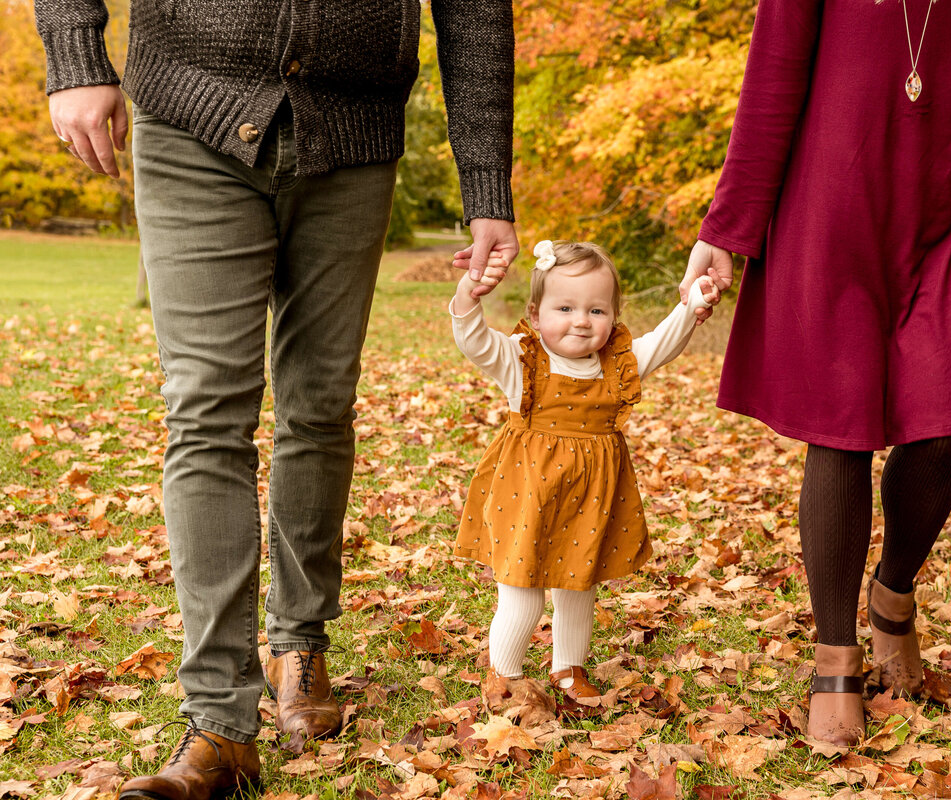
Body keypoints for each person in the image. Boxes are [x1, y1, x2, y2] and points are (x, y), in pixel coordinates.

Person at [34, 0, 518, 796]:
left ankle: (300, 643)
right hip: (192, 110)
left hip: (353, 134)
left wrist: (486, 183)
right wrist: (76, 53)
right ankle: (220, 723)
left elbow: (477, 12)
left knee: (319, 406)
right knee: (206, 415)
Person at [680, 0, 951, 745]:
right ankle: (835, 655)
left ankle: (894, 591)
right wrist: (727, 227)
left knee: (946, 424)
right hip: (831, 199)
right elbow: (772, 76)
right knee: (842, 428)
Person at [450, 240, 720, 704]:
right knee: (523, 591)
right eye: (565, 308)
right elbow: (475, 342)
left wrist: (692, 305)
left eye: (597, 310)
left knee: (578, 586)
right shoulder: (522, 360)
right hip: (527, 492)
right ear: (535, 315)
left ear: (613, 316)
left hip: (591, 496)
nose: (581, 320)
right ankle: (505, 676)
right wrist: (468, 296)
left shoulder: (616, 363)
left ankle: (568, 669)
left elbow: (662, 343)